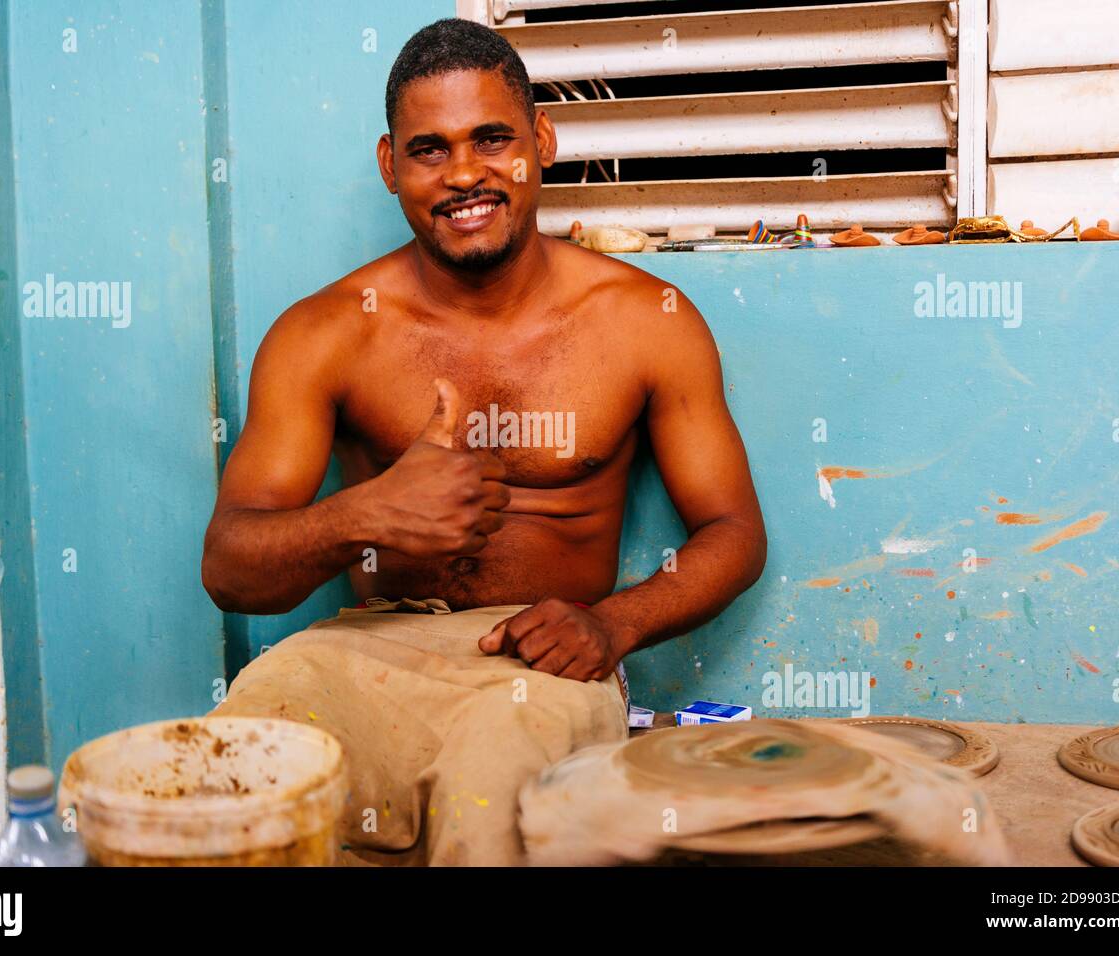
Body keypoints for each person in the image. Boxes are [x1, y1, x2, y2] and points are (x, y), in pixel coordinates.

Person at [202, 17, 766, 865]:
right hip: (357, 651)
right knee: (231, 766)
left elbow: (734, 531)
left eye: (492, 139)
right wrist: (365, 514)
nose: (465, 174)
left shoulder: (647, 321)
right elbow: (230, 568)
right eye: (430, 150)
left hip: (542, 668)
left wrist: (611, 627)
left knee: (491, 796)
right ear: (391, 165)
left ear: (540, 139)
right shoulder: (322, 335)